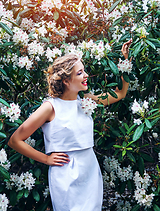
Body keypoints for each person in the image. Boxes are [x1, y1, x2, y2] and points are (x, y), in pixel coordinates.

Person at [8, 39, 132, 211]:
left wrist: (125, 60)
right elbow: (15, 140)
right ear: (66, 81)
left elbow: (120, 93)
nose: (86, 75)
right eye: (80, 73)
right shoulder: (50, 107)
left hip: (89, 169)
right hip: (65, 173)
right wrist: (46, 159)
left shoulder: (87, 101)